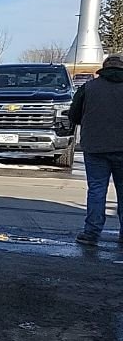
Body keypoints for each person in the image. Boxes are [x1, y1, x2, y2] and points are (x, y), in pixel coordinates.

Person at [69, 55, 123, 245]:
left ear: (104, 68)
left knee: (97, 190)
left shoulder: (89, 87)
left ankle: (91, 232)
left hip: (95, 147)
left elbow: (73, 114)